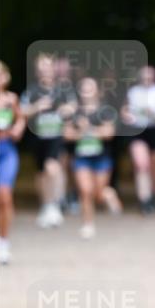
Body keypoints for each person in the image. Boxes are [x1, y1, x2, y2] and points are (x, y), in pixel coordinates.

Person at [20, 53, 77, 228]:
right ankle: (47, 206)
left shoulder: (64, 89)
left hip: (57, 136)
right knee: (41, 173)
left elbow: (73, 106)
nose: (45, 70)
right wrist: (36, 107)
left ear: (54, 69)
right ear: (37, 71)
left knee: (53, 167)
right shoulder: (32, 90)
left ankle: (57, 204)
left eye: (48, 66)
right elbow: (21, 111)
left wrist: (65, 111)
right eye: (42, 67)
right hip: (38, 137)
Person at [63, 77, 119, 239]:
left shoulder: (105, 111)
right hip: (81, 158)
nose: (86, 91)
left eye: (90, 88)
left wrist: (87, 128)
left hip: (102, 158)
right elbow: (67, 135)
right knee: (85, 191)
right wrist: (84, 133)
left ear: (97, 91)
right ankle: (88, 224)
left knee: (98, 194)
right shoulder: (74, 113)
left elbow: (109, 134)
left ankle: (108, 193)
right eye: (83, 88)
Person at [122, 66, 155, 213]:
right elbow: (124, 112)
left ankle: (154, 195)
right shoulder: (132, 92)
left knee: (154, 167)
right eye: (144, 78)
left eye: (150, 77)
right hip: (137, 131)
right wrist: (128, 117)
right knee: (141, 165)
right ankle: (144, 200)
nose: (147, 81)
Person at [0, 60, 26, 264]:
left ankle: (4, 243)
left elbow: (21, 118)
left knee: (5, 196)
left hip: (6, 151)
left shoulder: (11, 99)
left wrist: (18, 128)